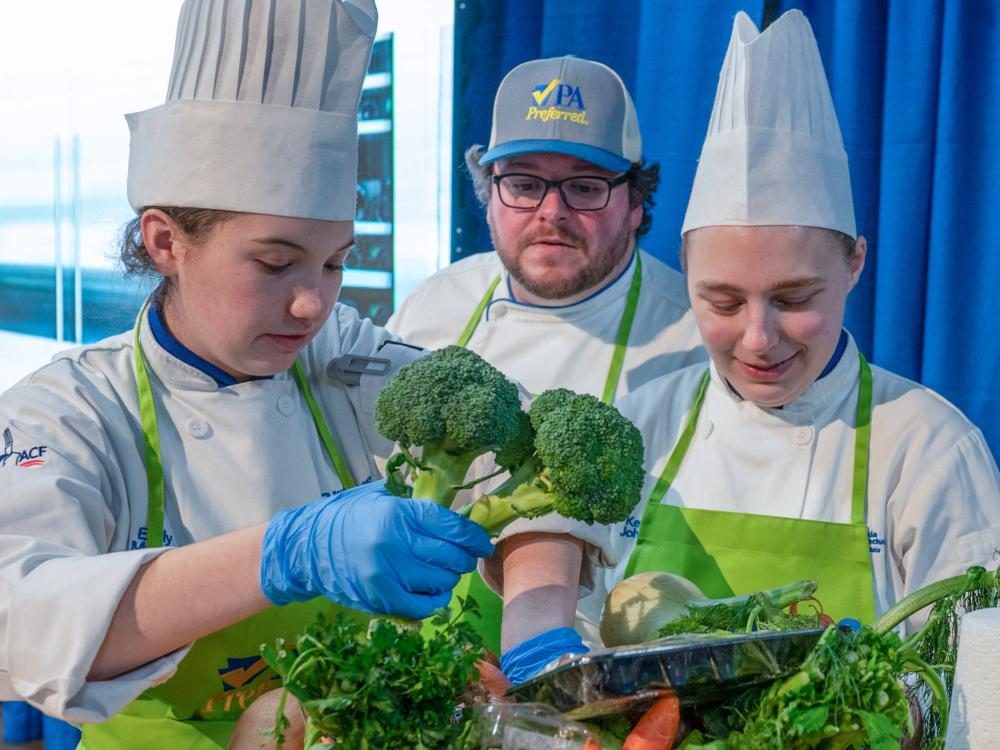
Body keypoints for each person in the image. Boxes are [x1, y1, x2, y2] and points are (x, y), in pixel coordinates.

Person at [0, 1, 495, 747]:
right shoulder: (70, 410)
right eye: (274, 262)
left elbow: (510, 433)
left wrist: (536, 630)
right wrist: (283, 553)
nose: (312, 303)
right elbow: (22, 622)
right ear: (166, 242)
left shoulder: (343, 355)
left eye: (335, 263)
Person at [578, 9, 1000, 647]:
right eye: (721, 303)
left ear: (855, 263)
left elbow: (977, 680)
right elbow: (583, 644)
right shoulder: (639, 429)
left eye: (794, 298)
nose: (757, 339)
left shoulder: (929, 450)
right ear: (685, 275)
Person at [386, 55, 705, 684]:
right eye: (525, 182)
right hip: (424, 668)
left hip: (595, 686)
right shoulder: (433, 306)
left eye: (585, 186)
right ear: (490, 193)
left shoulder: (697, 336)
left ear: (637, 204)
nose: (551, 212)